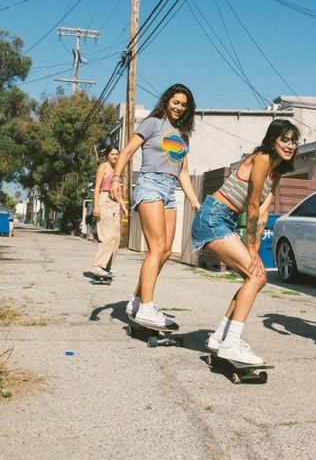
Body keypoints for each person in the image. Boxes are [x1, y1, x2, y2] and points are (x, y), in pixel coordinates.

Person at [192, 119, 300, 365]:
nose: (290, 145)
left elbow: (262, 212)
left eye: (294, 141)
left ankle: (220, 338)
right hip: (212, 217)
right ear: (272, 140)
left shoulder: (278, 170)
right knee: (257, 277)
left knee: (255, 276)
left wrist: (256, 249)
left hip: (224, 220)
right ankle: (230, 343)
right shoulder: (261, 158)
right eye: (284, 139)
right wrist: (251, 248)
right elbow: (251, 203)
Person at [110, 83, 200, 330]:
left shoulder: (182, 135)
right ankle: (147, 307)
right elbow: (127, 151)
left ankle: (137, 301)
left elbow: (183, 172)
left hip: (171, 190)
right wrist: (116, 179)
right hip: (150, 184)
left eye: (184, 105)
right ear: (167, 101)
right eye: (176, 102)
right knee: (156, 247)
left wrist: (194, 201)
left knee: (166, 251)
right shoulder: (152, 123)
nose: (179, 108)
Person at [89, 144, 127, 278]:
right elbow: (97, 187)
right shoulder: (103, 167)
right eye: (112, 154)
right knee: (107, 236)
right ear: (107, 155)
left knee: (116, 237)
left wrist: (122, 205)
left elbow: (119, 192)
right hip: (104, 200)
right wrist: (96, 206)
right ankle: (97, 265)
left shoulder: (118, 169)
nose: (115, 156)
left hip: (115, 203)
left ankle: (107, 266)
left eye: (117, 154)